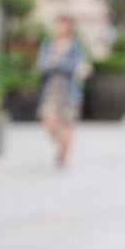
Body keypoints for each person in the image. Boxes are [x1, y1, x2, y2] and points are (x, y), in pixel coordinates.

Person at [36, 15, 89, 168]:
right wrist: (60, 64)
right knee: (49, 122)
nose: (60, 28)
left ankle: (64, 156)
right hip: (51, 89)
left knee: (67, 123)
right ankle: (62, 148)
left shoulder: (76, 46)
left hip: (69, 90)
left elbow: (74, 67)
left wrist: (55, 63)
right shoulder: (48, 44)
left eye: (63, 25)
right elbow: (42, 65)